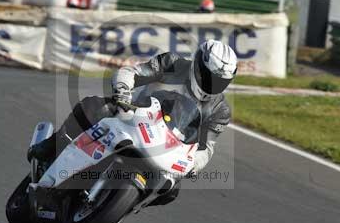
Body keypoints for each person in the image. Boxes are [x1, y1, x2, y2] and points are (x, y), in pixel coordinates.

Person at [27, 39, 238, 204]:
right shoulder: (172, 64)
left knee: (171, 191)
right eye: (209, 76)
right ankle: (52, 146)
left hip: (167, 146)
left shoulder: (220, 110)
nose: (213, 84)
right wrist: (123, 92)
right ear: (198, 64)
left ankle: (123, 204)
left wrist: (195, 164)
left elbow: (206, 147)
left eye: (220, 81)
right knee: (93, 107)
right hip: (131, 115)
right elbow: (132, 73)